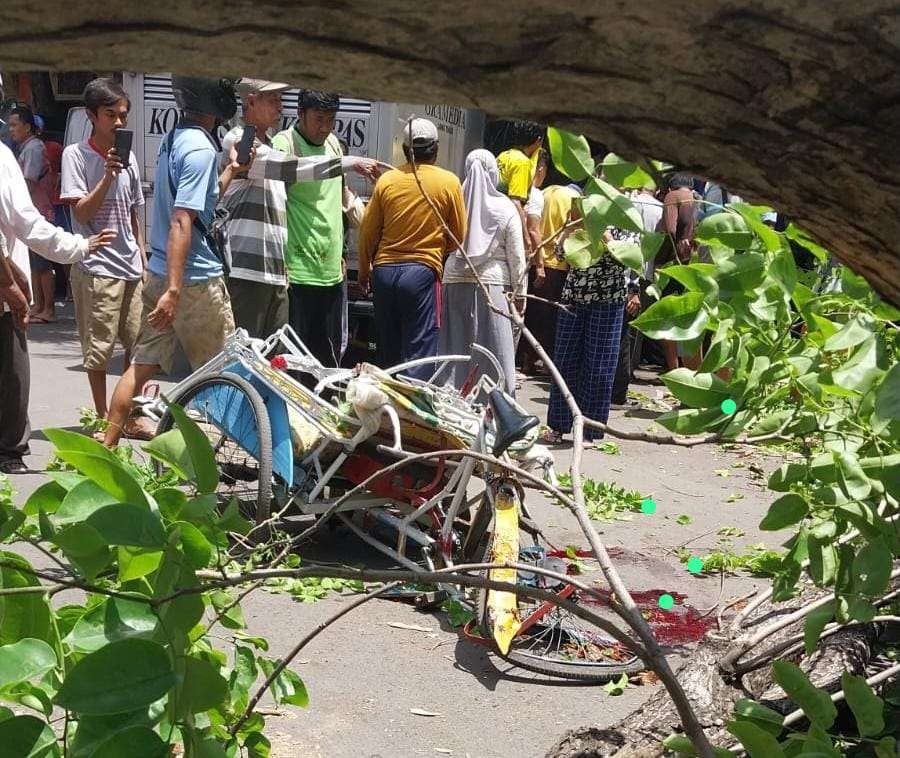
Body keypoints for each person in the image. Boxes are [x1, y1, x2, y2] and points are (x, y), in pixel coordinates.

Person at [104, 76, 241, 447]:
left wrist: (229, 170)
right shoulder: (198, 149)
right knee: (227, 374)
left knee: (141, 365)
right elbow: (183, 220)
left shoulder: (174, 140)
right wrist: (176, 291)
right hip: (192, 281)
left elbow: (201, 208)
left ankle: (108, 443)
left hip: (161, 271)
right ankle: (221, 464)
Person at [0, 140, 116, 473]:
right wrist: (78, 246)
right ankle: (9, 448)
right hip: (5, 284)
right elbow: (27, 223)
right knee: (12, 370)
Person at [61, 77, 146, 421]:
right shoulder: (76, 156)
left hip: (131, 266)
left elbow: (133, 210)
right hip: (96, 267)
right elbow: (79, 212)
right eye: (111, 115)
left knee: (138, 345)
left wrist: (142, 252)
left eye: (123, 115)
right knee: (98, 350)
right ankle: (101, 415)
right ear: (92, 115)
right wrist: (108, 176)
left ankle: (123, 414)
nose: (119, 122)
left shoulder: (132, 158)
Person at [357, 118, 466, 379]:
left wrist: (364, 271)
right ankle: (412, 414)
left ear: (406, 150)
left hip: (383, 273)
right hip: (421, 273)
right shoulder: (449, 182)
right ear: (436, 149)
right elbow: (458, 235)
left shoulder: (387, 181)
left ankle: (384, 409)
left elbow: (368, 232)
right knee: (420, 353)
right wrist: (436, 252)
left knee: (387, 351)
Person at [272, 91, 351, 366]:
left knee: (327, 364)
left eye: (331, 120)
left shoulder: (334, 145)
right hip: (297, 272)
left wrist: (344, 249)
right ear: (300, 112)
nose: (325, 127)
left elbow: (339, 199)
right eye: (319, 119)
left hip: (331, 272)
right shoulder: (284, 144)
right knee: (293, 363)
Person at [440, 149, 525, 395]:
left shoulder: (455, 203)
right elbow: (517, 255)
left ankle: (452, 401)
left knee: (454, 350)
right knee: (495, 351)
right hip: (494, 288)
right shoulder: (505, 207)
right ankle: (496, 404)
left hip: (454, 281)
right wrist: (520, 293)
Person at [542, 221, 628, 446]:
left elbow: (630, 261)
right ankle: (558, 426)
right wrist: (570, 230)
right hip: (573, 299)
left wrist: (607, 237)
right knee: (564, 362)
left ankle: (590, 430)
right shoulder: (582, 221)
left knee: (599, 367)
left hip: (607, 301)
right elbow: (561, 254)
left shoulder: (624, 221)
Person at [219, 78, 291, 338]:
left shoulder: (271, 144)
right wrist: (347, 164)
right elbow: (297, 168)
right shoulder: (239, 141)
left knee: (275, 361)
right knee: (245, 358)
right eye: (273, 100)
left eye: (280, 101)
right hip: (247, 271)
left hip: (275, 273)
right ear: (251, 101)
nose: (279, 108)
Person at [521, 182, 579, 374]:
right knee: (552, 319)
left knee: (534, 315)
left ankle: (528, 359)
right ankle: (547, 363)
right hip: (558, 263)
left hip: (538, 259)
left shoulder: (544, 193)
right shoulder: (573, 199)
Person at [8, 106, 57, 324]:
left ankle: (49, 308)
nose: (11, 130)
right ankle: (38, 304)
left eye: (14, 125)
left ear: (28, 127)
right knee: (35, 263)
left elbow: (28, 182)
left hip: (39, 213)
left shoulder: (34, 149)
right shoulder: (25, 148)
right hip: (31, 212)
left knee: (43, 264)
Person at [657, 173, 699, 371]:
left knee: (667, 316)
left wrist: (662, 257)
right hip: (693, 263)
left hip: (674, 264)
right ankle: (690, 367)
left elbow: (670, 228)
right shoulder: (696, 199)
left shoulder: (672, 197)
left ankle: (674, 368)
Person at [496, 120, 544, 255]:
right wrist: (526, 237)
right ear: (538, 140)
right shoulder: (522, 162)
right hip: (505, 223)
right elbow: (515, 201)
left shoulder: (504, 155)